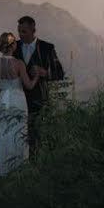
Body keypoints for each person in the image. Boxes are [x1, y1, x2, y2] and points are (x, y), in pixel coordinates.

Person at [0, 32, 40, 178]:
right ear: (14, 46)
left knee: (3, 133)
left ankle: (0, 170)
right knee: (18, 133)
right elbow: (29, 85)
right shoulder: (18, 64)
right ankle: (18, 170)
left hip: (3, 100)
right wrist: (36, 75)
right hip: (17, 100)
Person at [13, 15, 65, 152]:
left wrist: (44, 73)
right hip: (17, 99)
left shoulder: (47, 48)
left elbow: (59, 73)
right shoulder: (14, 47)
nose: (20, 34)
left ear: (33, 30)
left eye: (24, 31)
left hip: (39, 100)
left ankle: (35, 167)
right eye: (19, 31)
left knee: (36, 138)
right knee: (18, 136)